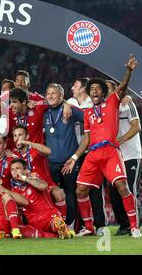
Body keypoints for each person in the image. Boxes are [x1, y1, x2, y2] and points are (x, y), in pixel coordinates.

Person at [62, 54, 142, 238]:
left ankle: (134, 226)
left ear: (103, 93)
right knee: (80, 190)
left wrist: (128, 71)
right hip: (93, 154)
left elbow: (122, 88)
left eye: (98, 89)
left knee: (123, 186)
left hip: (110, 152)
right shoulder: (88, 113)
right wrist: (74, 158)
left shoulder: (112, 103)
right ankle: (89, 227)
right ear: (89, 93)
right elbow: (86, 139)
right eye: (93, 89)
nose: (95, 91)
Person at [67, 77, 107, 234]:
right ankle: (81, 225)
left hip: (91, 151)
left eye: (75, 85)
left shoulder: (93, 103)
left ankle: (100, 225)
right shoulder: (69, 101)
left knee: (95, 189)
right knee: (75, 189)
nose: (72, 87)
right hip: (73, 152)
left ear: (83, 88)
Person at [44, 83, 84, 227]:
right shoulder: (44, 111)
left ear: (61, 95)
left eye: (53, 93)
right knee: (52, 193)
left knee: (70, 192)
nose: (50, 96)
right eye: (48, 93)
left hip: (69, 161)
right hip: (51, 162)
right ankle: (55, 224)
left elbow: (89, 117)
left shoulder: (71, 110)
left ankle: (70, 224)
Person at [106, 80, 142, 236]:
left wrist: (121, 139)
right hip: (113, 156)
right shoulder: (104, 108)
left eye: (107, 89)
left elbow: (137, 127)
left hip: (131, 154)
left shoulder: (127, 104)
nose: (104, 92)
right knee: (114, 192)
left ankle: (135, 225)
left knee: (130, 188)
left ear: (116, 90)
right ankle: (124, 225)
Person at [7, 159, 73, 239]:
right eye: (12, 169)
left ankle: (61, 227)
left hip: (48, 216)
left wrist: (25, 178)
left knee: (55, 224)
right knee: (20, 229)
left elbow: (43, 186)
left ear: (25, 170)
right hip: (33, 222)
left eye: (17, 168)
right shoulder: (13, 190)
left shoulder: (33, 177)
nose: (14, 171)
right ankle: (61, 233)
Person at [11, 125, 67, 219]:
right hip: (27, 189)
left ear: (27, 136)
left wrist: (27, 142)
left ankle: (63, 225)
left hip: (46, 184)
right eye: (15, 136)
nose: (17, 138)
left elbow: (48, 151)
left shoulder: (34, 149)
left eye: (20, 135)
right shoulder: (14, 155)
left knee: (58, 193)